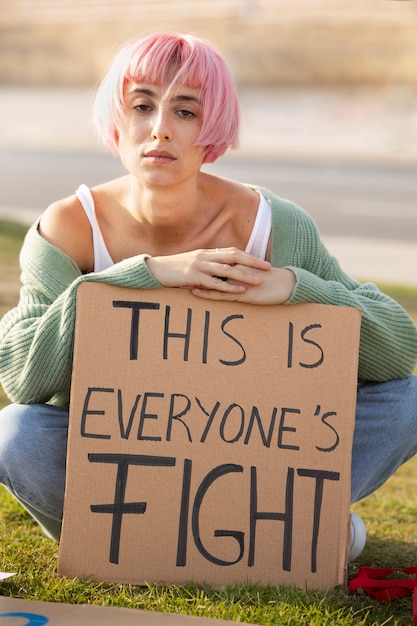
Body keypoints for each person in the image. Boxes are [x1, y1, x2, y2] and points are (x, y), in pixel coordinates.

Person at [0, 33, 416, 559]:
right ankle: (129, 532)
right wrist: (142, 275)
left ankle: (293, 517)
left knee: (408, 400)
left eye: (186, 111)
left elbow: (398, 348)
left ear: (211, 128)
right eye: (142, 105)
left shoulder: (271, 224)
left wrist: (295, 288)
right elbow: (22, 376)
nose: (160, 130)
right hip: (120, 471)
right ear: (117, 119)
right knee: (15, 432)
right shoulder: (70, 227)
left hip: (256, 458)